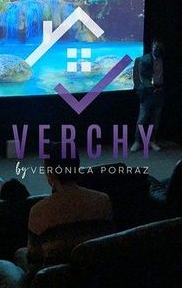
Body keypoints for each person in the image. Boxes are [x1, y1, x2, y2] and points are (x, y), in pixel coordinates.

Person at [26, 143, 113, 271]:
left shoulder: (39, 211)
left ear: (50, 173)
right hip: (96, 274)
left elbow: (34, 264)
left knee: (20, 253)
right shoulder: (104, 200)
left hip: (56, 280)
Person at [131, 39, 165, 152]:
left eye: (159, 48)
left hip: (160, 92)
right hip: (147, 93)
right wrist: (150, 88)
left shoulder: (164, 60)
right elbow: (142, 76)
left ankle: (152, 140)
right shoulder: (145, 59)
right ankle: (138, 141)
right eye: (156, 47)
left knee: (155, 118)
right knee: (143, 118)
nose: (157, 50)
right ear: (152, 47)